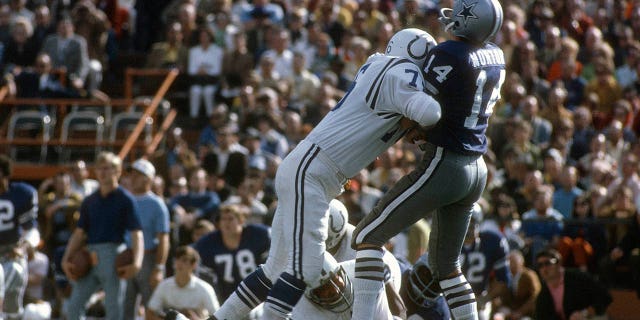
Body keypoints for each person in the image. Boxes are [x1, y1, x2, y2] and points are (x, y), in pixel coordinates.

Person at [210, 28, 441, 320]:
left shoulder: (381, 67)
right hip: (314, 173)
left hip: (307, 167)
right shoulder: (398, 70)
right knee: (304, 269)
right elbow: (430, 113)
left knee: (275, 268)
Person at [351, 1, 505, 319]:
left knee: (367, 236)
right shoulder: (496, 56)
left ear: (470, 20)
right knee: (446, 268)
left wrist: (414, 129)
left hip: (446, 163)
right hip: (476, 168)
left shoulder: (449, 53)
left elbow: (422, 105)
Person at [61, 152, 144, 320]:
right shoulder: (90, 200)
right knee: (73, 307)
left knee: (114, 309)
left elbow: (137, 233)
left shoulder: (125, 199)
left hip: (112, 254)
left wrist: (137, 261)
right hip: (89, 255)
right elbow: (79, 233)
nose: (102, 172)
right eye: (99, 168)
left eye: (106, 168)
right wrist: (66, 257)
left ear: (117, 171)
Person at [193, 204, 270, 303]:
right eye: (223, 219)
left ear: (241, 221)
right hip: (225, 295)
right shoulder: (208, 242)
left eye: (230, 219)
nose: (226, 223)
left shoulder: (257, 234)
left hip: (257, 292)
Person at [123, 159, 170, 320]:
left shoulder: (157, 204)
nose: (133, 178)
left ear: (148, 179)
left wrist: (158, 267)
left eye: (138, 175)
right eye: (132, 175)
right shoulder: (125, 200)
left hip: (149, 258)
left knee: (152, 307)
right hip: (127, 257)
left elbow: (164, 238)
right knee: (125, 306)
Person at [0, 154, 38, 320]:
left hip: (11, 254)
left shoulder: (21, 193)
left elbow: (32, 230)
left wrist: (22, 247)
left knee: (12, 306)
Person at [460, 204, 511, 319]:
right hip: (450, 299)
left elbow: (503, 281)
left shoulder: (493, 241)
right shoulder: (447, 242)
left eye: (472, 221)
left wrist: (484, 299)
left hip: (480, 297)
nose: (469, 227)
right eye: (465, 221)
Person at [534, 248, 612, 320]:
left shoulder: (578, 277)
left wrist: (586, 313)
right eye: (540, 265)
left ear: (559, 263)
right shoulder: (543, 293)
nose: (544, 268)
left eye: (548, 263)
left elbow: (605, 296)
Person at [146, 246, 220, 319]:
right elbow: (150, 313)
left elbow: (218, 317)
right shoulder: (164, 285)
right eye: (177, 259)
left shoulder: (204, 289)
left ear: (194, 264)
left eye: (184, 260)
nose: (179, 263)